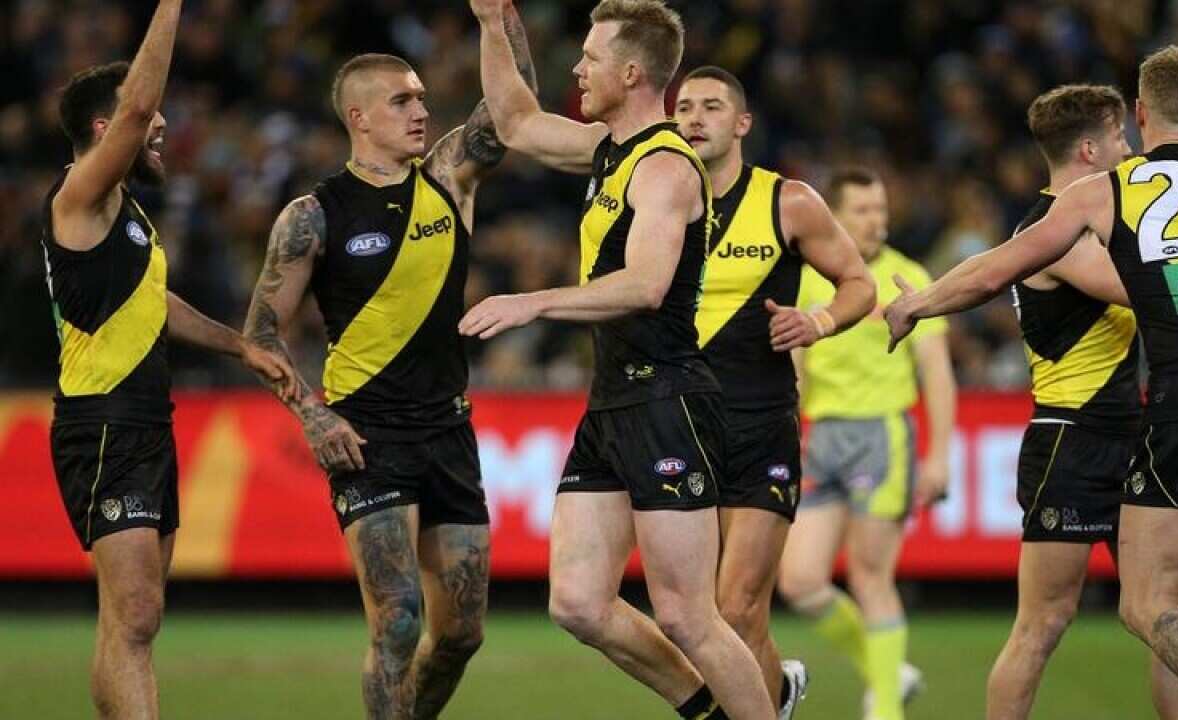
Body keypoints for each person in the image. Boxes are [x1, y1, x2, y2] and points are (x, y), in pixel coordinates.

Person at [886, 45, 1178, 720]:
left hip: (1168, 420)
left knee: (1156, 607)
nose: (1128, 141)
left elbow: (990, 271)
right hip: (1087, 434)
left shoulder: (1106, 199)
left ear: (1146, 110)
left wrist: (916, 303)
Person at [462, 1, 774, 717]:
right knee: (577, 601)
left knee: (688, 616)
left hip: (667, 400)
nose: (576, 68)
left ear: (632, 73)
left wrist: (533, 301)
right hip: (612, 402)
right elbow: (513, 122)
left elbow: (646, 285)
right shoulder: (608, 149)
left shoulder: (665, 167)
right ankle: (710, 709)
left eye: (590, 58)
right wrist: (489, 23)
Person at [241, 11, 537, 715]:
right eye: (402, 100)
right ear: (358, 117)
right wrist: (313, 416)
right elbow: (259, 333)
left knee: (461, 634)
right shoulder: (312, 215)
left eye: (422, 97)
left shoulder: (449, 177)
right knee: (398, 618)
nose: (422, 110)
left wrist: (499, 17)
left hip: (448, 430)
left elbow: (515, 99)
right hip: (367, 435)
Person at [41, 2, 296, 717]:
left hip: (146, 421)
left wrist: (238, 344)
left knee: (130, 623)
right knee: (136, 616)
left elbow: (154, 304)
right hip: (103, 425)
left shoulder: (126, 215)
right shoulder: (78, 197)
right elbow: (138, 107)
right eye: (150, 125)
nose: (162, 132)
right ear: (106, 129)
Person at [983, 83, 1178, 720]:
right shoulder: (1052, 233)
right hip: (1072, 441)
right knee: (1044, 623)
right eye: (1118, 139)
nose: (1130, 150)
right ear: (1089, 149)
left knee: (1175, 612)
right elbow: (1144, 291)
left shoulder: (1099, 224)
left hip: (1132, 436)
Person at [672, 65, 876, 718]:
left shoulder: (787, 202)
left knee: (736, 606)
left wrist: (815, 321)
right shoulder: (655, 202)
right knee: (706, 617)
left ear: (742, 124)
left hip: (761, 424)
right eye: (683, 108)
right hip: (679, 424)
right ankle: (777, 694)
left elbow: (859, 283)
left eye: (710, 106)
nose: (694, 118)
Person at [776, 167, 957, 720]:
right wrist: (788, 435)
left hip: (881, 435)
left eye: (880, 209)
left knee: (870, 575)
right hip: (823, 436)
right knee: (801, 580)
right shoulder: (810, 279)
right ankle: (887, 671)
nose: (875, 220)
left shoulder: (907, 275)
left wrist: (940, 456)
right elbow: (796, 370)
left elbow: (938, 376)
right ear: (834, 216)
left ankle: (885, 708)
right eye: (861, 210)